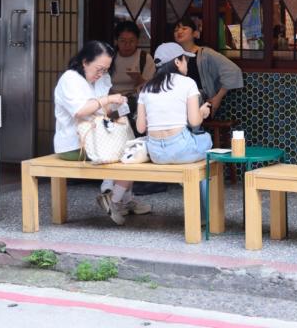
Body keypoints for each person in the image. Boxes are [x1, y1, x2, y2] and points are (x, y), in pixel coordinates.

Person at [53, 40, 151, 226]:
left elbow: (103, 112)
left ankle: (120, 198)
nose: (101, 74)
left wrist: (117, 105)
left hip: (98, 140)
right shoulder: (70, 79)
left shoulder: (101, 79)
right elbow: (80, 111)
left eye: (105, 70)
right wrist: (107, 99)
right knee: (131, 157)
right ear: (84, 62)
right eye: (98, 69)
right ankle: (114, 198)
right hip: (75, 145)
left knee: (133, 150)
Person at [135, 42, 213, 164]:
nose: (187, 63)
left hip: (156, 153)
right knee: (206, 139)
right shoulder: (188, 83)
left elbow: (140, 128)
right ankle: (198, 183)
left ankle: (191, 183)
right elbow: (194, 122)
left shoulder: (146, 87)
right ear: (177, 62)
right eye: (185, 59)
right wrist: (202, 112)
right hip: (181, 148)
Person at [110, 21, 165, 195]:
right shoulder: (110, 58)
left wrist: (138, 79)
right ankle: (112, 173)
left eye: (131, 41)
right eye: (122, 41)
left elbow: (149, 86)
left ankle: (140, 174)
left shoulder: (144, 58)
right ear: (116, 41)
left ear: (138, 40)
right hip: (111, 99)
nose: (127, 45)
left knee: (136, 120)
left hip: (135, 99)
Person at [172, 17, 243, 117]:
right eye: (176, 30)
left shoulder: (205, 53)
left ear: (195, 34)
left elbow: (233, 71)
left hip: (199, 103)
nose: (179, 31)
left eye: (184, 28)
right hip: (176, 101)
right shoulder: (172, 56)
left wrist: (218, 98)